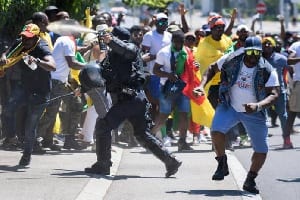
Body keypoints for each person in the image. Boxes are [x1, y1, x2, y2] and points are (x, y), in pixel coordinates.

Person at [83, 28, 182, 177]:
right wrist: (82, 88)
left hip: (131, 100)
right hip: (133, 101)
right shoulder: (113, 56)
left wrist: (111, 40)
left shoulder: (131, 49)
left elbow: (126, 50)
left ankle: (103, 164)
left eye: (112, 38)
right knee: (142, 134)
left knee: (103, 126)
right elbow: (100, 74)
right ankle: (170, 161)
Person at [194, 36, 279, 194]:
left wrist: (258, 105)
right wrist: (201, 85)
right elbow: (213, 68)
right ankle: (222, 163)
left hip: (254, 112)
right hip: (229, 105)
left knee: (262, 150)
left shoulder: (267, 69)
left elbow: (274, 94)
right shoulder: (233, 58)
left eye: (257, 52)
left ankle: (250, 179)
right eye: (250, 52)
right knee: (216, 131)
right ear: (244, 51)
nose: (253, 56)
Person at [0, 23, 56, 166]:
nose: (25, 41)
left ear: (36, 37)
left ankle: (26, 155)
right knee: (7, 111)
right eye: (24, 37)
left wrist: (37, 60)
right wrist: (4, 56)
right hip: (24, 87)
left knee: (30, 127)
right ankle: (12, 137)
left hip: (40, 92)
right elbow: (7, 51)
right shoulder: (20, 43)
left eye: (29, 38)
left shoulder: (41, 47)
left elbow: (52, 66)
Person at [37, 19, 86, 151]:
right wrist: (89, 66)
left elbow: (71, 58)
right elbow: (72, 63)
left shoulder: (66, 40)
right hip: (56, 81)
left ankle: (67, 139)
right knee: (51, 113)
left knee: (76, 105)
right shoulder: (67, 41)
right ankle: (34, 140)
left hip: (61, 81)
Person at [150, 30, 194, 151]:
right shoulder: (164, 53)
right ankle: (150, 138)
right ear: (172, 41)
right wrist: (168, 75)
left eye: (181, 42)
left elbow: (190, 68)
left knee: (184, 115)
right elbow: (155, 70)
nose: (179, 44)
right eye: (177, 42)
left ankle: (182, 142)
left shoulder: (187, 51)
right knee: (164, 115)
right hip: (167, 88)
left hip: (183, 88)